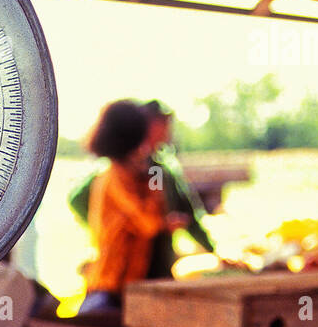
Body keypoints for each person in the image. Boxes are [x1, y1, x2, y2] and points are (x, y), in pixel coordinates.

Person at [69, 99, 215, 283]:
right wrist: (113, 227)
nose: (167, 132)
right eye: (161, 125)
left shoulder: (154, 169)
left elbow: (172, 209)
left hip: (154, 268)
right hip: (120, 277)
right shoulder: (118, 173)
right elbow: (149, 219)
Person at [76, 100, 174, 317]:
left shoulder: (133, 173)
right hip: (109, 288)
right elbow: (148, 223)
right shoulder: (117, 177)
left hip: (126, 288)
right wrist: (163, 214)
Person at [143, 100, 215, 278]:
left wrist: (212, 250)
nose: (168, 129)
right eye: (163, 124)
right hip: (139, 263)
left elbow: (187, 211)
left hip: (161, 260)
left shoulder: (160, 166)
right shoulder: (132, 167)